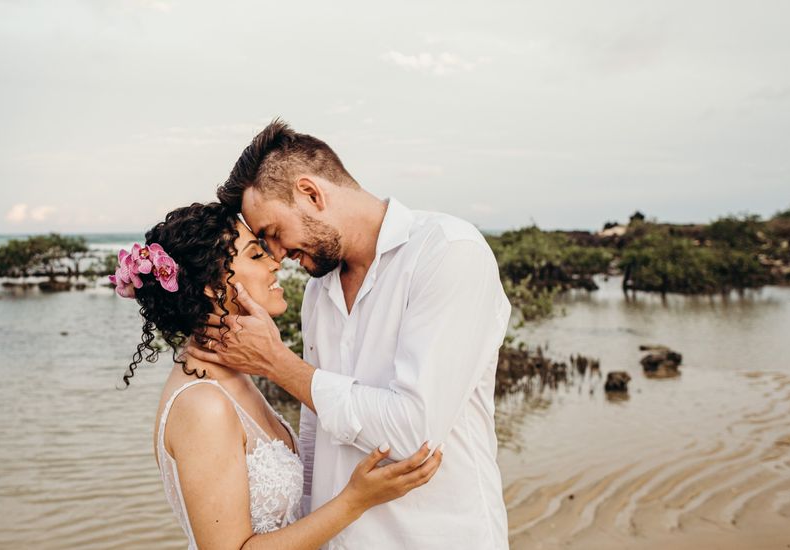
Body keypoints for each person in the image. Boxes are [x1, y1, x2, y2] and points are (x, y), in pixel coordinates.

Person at [187, 120, 512, 549]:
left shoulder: (448, 252)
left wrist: (278, 364)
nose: (277, 255)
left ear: (311, 193)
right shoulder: (319, 292)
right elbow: (313, 428)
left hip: (433, 536)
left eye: (272, 233)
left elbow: (414, 433)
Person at [113, 202, 442, 550]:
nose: (275, 264)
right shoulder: (203, 404)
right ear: (212, 286)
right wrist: (355, 500)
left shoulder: (234, 377)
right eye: (257, 255)